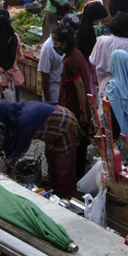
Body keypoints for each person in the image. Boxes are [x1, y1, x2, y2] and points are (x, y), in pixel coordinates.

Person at [0, 100, 80, 197]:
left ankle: (62, 197)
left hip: (66, 125)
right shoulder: (15, 114)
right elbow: (9, 137)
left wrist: (6, 164)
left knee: (62, 167)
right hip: (53, 127)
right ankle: (54, 187)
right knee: (51, 159)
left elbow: (21, 147)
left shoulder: (24, 121)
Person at [54, 26, 93, 177]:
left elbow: (79, 85)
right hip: (78, 107)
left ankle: (76, 175)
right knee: (81, 142)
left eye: (56, 42)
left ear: (64, 43)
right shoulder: (76, 54)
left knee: (77, 144)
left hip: (75, 109)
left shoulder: (70, 62)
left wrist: (82, 112)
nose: (54, 45)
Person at [90, 11, 128, 99]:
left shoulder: (101, 40)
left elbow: (93, 62)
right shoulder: (126, 45)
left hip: (102, 86)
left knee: (105, 110)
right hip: (119, 91)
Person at [0, 9, 23, 99]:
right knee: (14, 107)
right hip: (13, 79)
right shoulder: (14, 37)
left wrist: (1, 69)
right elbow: (20, 56)